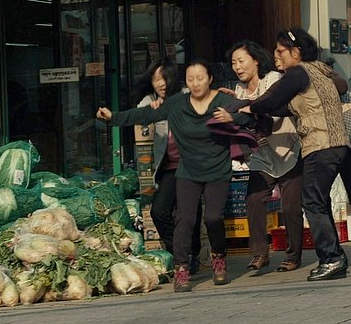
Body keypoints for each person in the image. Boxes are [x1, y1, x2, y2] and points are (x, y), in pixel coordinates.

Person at [246, 28, 351, 282]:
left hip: (322, 144)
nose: (277, 56)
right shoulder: (319, 70)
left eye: (281, 51)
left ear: (296, 52)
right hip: (343, 143)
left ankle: (332, 258)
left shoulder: (297, 73)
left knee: (313, 201)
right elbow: (287, 105)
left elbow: (271, 101)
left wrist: (248, 106)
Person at [97, 59, 255, 293]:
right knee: (185, 219)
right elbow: (144, 115)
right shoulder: (177, 104)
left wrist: (234, 118)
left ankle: (218, 257)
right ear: (186, 82)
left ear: (210, 79)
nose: (196, 83)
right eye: (191, 79)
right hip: (188, 171)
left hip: (217, 169)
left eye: (200, 78)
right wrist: (113, 117)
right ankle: (182, 268)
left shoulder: (222, 101)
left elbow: (251, 116)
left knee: (213, 218)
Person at [222, 40, 304, 272]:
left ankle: (293, 256)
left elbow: (270, 113)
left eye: (241, 61)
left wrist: (243, 108)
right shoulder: (238, 90)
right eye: (233, 63)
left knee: (291, 207)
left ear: (256, 60)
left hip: (287, 150)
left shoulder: (274, 80)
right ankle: (260, 253)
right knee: (254, 199)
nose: (237, 67)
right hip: (261, 154)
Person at [132, 57, 203, 273]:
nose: (161, 84)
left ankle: (192, 254)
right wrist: (152, 110)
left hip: (190, 164)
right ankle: (181, 251)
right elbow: (139, 113)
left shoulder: (186, 96)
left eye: (164, 78)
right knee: (159, 212)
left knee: (189, 213)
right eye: (156, 79)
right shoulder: (150, 100)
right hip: (168, 167)